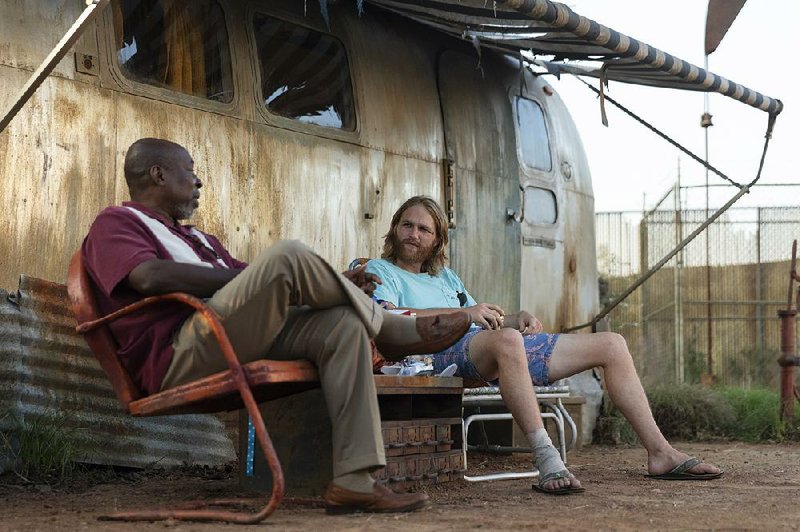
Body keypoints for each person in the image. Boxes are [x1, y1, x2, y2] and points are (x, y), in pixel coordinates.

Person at [81, 139, 471, 514]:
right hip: (178, 352)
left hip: (224, 336)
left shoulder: (200, 239)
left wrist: (324, 285)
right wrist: (274, 277)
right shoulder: (117, 221)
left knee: (342, 326)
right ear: (158, 174)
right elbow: (147, 277)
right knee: (288, 255)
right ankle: (388, 328)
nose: (198, 182)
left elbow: (256, 285)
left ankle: (355, 480)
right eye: (190, 172)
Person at [366, 196, 723, 494]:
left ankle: (661, 453)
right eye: (407, 225)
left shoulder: (445, 277)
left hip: (486, 346)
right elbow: (388, 317)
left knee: (612, 344)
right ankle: (547, 457)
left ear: (437, 240)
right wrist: (468, 314)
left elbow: (482, 318)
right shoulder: (377, 269)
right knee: (507, 342)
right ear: (394, 229)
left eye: (423, 229)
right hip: (431, 353)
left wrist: (514, 318)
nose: (413, 234)